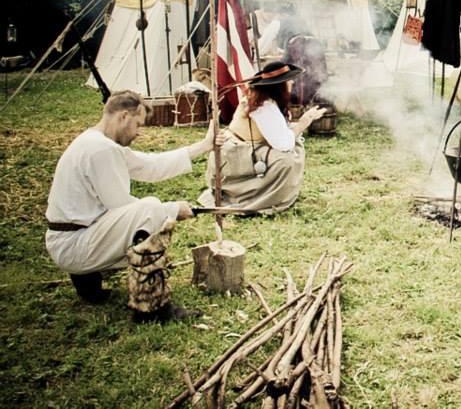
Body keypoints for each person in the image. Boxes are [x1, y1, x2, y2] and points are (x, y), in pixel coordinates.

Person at [44, 90, 216, 319]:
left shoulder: (95, 141)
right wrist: (173, 209)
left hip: (70, 239)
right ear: (124, 116)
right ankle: (152, 307)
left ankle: (88, 284)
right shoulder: (100, 149)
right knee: (150, 209)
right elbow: (122, 207)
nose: (138, 133)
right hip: (73, 246)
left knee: (148, 210)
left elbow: (149, 165)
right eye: (138, 124)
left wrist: (204, 146)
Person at [199, 62, 326, 214]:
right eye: (288, 80)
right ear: (279, 86)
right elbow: (284, 144)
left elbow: (277, 131)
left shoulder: (262, 100)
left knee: (291, 147)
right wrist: (304, 122)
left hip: (237, 151)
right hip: (234, 158)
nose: (292, 83)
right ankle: (261, 198)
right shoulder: (263, 107)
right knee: (287, 159)